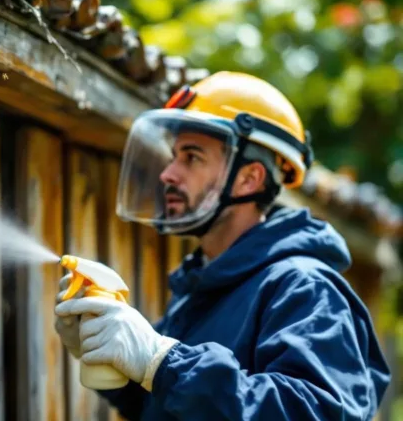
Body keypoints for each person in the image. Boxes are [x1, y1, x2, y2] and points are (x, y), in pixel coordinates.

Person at [54, 71, 390, 420]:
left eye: (192, 157)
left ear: (249, 179)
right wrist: (120, 368)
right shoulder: (205, 287)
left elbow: (313, 413)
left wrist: (163, 361)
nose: (168, 173)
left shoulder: (304, 287)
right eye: (174, 156)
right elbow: (176, 409)